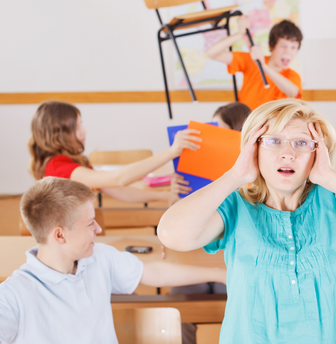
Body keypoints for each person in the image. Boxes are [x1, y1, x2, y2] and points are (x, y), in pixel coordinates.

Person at [157, 98, 336, 343]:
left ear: (318, 153)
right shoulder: (236, 205)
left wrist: (329, 176)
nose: (288, 153)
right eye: (273, 141)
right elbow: (172, 234)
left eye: (302, 143)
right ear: (254, 149)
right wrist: (236, 175)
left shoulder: (334, 199)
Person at [0, 177, 226, 343]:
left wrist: (219, 274)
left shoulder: (98, 257)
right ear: (60, 235)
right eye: (90, 224)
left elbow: (154, 272)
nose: (98, 228)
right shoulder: (12, 296)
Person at [28, 100, 199, 205]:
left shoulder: (69, 163)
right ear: (60, 133)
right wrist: (171, 152)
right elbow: (118, 179)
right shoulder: (59, 167)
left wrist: (166, 197)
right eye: (78, 126)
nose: (84, 131)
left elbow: (121, 191)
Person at [206, 16, 302, 110]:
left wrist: (263, 66)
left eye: (293, 47)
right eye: (283, 46)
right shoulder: (252, 59)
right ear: (271, 45)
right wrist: (239, 34)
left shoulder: (292, 76)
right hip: (244, 122)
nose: (288, 52)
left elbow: (293, 92)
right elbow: (212, 53)